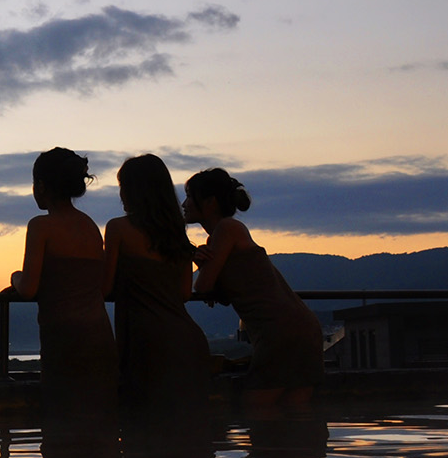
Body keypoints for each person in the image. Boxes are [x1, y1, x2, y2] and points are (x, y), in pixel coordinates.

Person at [183, 168, 323, 407]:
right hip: (299, 327)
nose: (184, 204)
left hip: (277, 332)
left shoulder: (226, 229)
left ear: (210, 202)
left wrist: (198, 260)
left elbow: (203, 285)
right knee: (297, 419)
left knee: (258, 413)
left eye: (189, 196)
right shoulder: (225, 234)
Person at [102, 154, 211, 412]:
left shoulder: (118, 228)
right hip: (187, 341)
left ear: (131, 190)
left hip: (146, 345)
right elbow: (184, 293)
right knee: (187, 434)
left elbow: (104, 288)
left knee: (142, 431)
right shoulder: (177, 235)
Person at [10, 148, 117, 407]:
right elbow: (96, 285)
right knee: (99, 423)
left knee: (63, 420)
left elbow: (28, 288)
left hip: (64, 338)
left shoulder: (41, 226)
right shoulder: (90, 227)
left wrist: (15, 277)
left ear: (41, 185)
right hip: (100, 334)